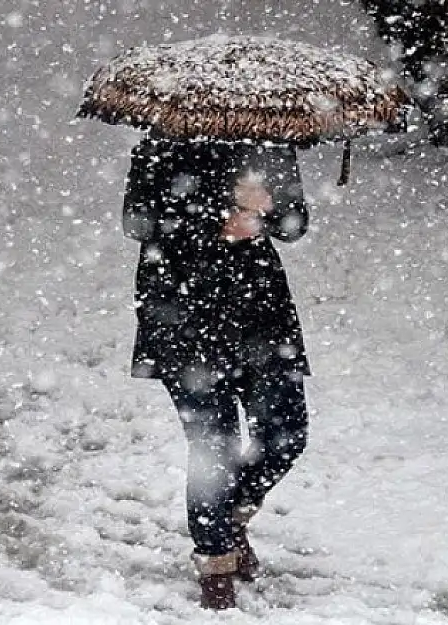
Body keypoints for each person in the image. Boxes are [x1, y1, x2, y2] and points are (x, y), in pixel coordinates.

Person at [122, 133, 311, 610]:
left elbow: (294, 223)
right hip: (182, 314)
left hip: (260, 316)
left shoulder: (269, 143)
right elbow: (139, 221)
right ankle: (216, 565)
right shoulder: (159, 146)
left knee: (286, 430)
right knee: (214, 447)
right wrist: (220, 214)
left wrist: (266, 212)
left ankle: (225, 521)